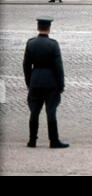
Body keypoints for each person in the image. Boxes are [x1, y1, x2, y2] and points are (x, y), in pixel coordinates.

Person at [23, 17, 69, 148]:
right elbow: (58, 67)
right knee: (51, 112)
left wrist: (29, 82)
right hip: (51, 82)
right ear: (49, 28)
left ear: (38, 28)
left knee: (34, 112)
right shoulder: (53, 44)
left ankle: (32, 140)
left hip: (35, 80)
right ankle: (53, 140)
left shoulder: (30, 43)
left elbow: (26, 65)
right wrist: (61, 85)